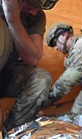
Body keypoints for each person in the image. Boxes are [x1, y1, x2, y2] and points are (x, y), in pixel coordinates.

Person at [0, 0, 58, 130]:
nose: (34, 12)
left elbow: (32, 58)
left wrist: (12, 18)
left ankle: (14, 131)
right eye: (32, 5)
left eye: (39, 8)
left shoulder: (37, 15)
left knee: (41, 79)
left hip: (8, 72)